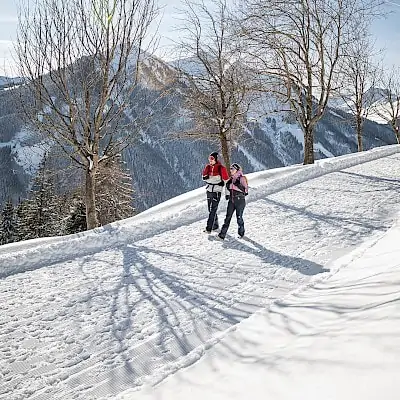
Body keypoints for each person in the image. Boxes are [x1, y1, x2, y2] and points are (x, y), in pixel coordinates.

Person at [218, 163, 248, 240]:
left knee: (239, 217)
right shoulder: (231, 179)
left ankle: (241, 233)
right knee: (227, 217)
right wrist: (227, 194)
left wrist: (238, 185)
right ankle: (222, 235)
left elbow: (246, 191)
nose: (231, 170)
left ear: (237, 170)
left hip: (240, 201)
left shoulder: (242, 178)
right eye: (230, 169)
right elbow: (227, 187)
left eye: (232, 169)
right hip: (231, 201)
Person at [202, 152, 229, 233]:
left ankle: (208, 228)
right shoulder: (208, 167)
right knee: (210, 210)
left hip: (217, 191)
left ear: (216, 159)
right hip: (209, 190)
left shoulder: (221, 168)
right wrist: (206, 178)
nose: (210, 160)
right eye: (209, 159)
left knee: (213, 209)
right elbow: (204, 177)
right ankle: (215, 225)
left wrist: (227, 193)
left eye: (212, 159)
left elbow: (227, 181)